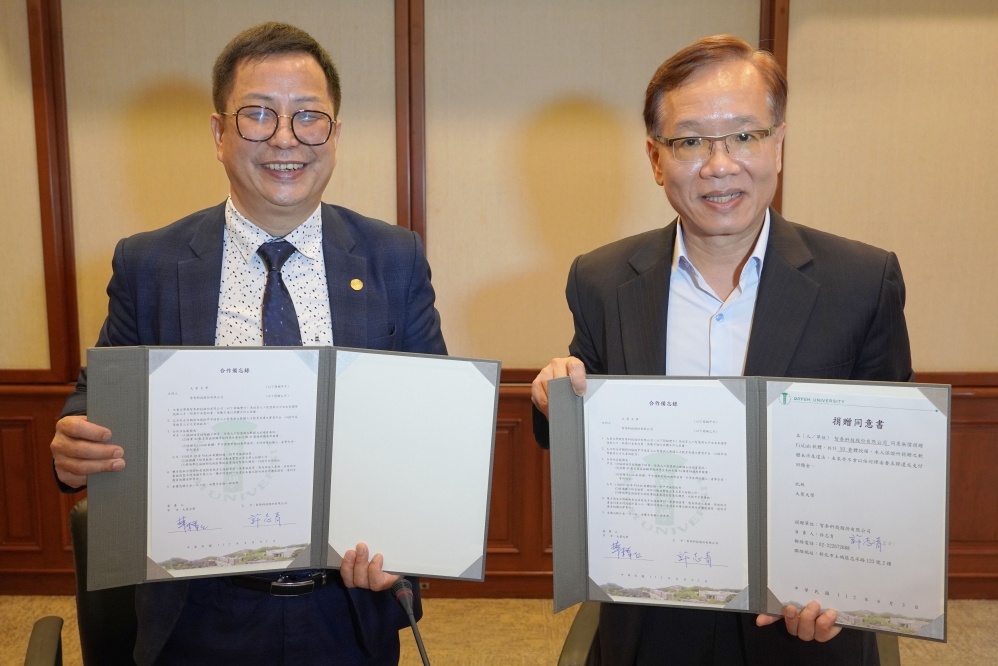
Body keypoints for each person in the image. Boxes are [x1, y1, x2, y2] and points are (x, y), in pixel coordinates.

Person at [49, 22, 445, 666]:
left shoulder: (393, 258)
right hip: (200, 608)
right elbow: (94, 404)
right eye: (258, 114)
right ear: (218, 133)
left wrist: (409, 541)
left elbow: (436, 426)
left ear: (335, 135)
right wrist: (74, 447)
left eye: (309, 116)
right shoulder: (150, 264)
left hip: (346, 607)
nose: (286, 139)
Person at [531, 35, 910, 666]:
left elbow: (889, 468)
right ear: (656, 158)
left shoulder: (861, 281)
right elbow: (589, 442)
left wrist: (850, 591)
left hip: (799, 629)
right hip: (650, 619)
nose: (719, 164)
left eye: (744, 135)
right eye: (689, 142)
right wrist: (555, 402)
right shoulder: (600, 280)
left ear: (778, 143)